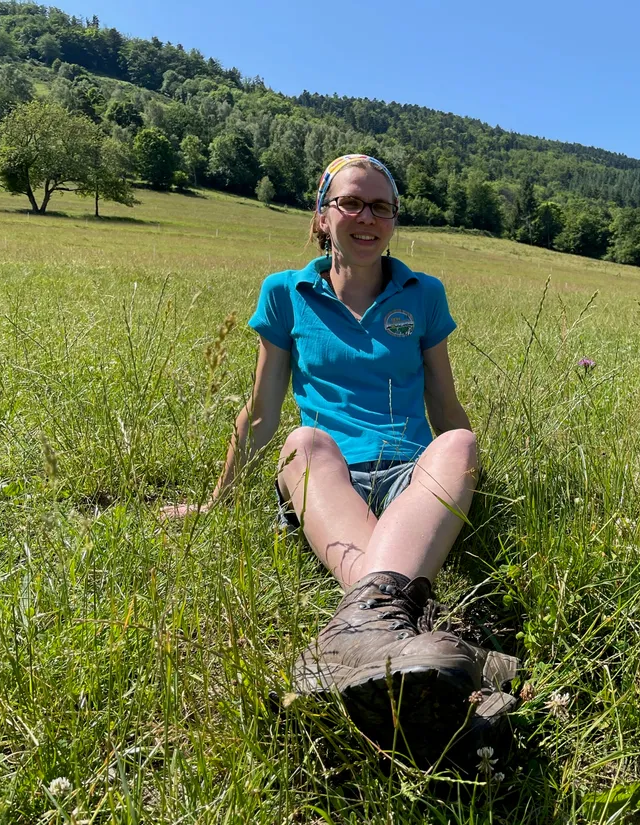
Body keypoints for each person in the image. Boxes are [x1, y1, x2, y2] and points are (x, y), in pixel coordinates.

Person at [164, 155, 513, 758]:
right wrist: (215, 502)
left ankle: (360, 644)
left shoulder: (423, 294)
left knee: (460, 443)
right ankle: (442, 646)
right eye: (350, 202)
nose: (366, 217)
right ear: (322, 216)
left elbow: (444, 405)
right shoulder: (285, 292)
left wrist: (465, 474)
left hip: (408, 477)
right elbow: (262, 413)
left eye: (381, 206)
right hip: (329, 480)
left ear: (394, 219)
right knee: (304, 440)